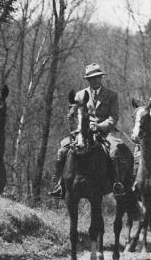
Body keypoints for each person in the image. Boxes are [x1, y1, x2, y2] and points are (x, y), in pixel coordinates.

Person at [48, 63, 125, 199]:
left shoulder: (112, 95)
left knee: (114, 150)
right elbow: (73, 115)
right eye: (92, 78)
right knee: (62, 150)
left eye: (98, 77)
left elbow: (114, 117)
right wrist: (82, 125)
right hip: (82, 132)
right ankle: (59, 184)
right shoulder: (78, 95)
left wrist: (100, 126)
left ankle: (117, 183)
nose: (95, 80)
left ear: (101, 78)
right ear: (88, 80)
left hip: (105, 131)